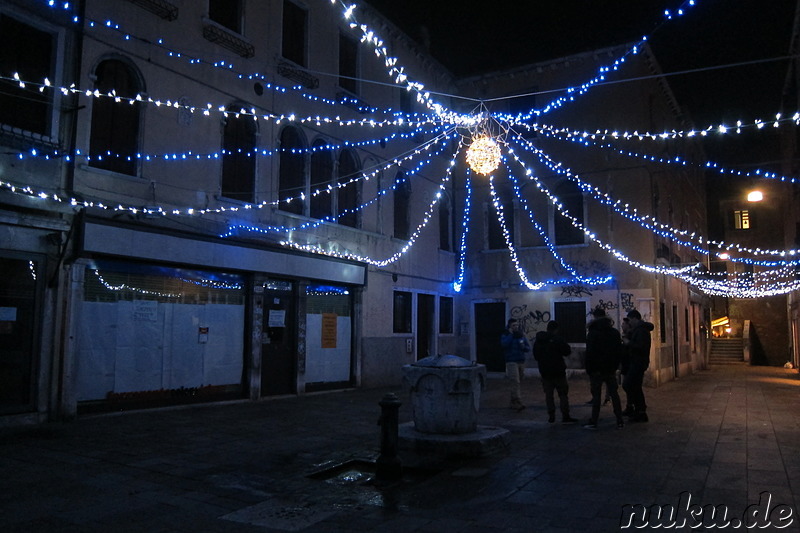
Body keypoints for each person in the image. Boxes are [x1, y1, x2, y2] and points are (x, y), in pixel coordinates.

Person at [583, 308, 624, 430]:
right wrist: (615, 365)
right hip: (610, 368)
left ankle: (594, 421)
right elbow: (618, 351)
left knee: (596, 396)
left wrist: (589, 369)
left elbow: (589, 353)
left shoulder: (593, 333)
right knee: (614, 394)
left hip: (596, 369)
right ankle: (619, 420)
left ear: (595, 317)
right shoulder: (614, 333)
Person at [533, 321, 578, 423]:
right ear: (556, 329)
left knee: (549, 395)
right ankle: (565, 416)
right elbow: (567, 352)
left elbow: (536, 356)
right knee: (563, 394)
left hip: (545, 372)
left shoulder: (539, 341)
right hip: (558, 371)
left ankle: (551, 416)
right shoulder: (558, 340)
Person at [623, 309, 654, 422]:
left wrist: (628, 343)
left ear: (635, 318)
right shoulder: (639, 330)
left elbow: (641, 347)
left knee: (630, 385)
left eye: (630, 320)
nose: (629, 322)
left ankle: (640, 411)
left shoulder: (641, 331)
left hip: (638, 362)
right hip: (637, 362)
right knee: (634, 386)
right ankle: (639, 410)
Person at [500, 318, 530, 411]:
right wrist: (511, 335)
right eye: (513, 325)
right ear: (509, 327)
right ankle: (517, 402)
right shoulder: (506, 335)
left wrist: (523, 347)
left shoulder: (521, 335)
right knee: (515, 381)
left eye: (517, 325)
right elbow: (504, 344)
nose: (516, 327)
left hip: (520, 360)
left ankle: (513, 402)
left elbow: (528, 347)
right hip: (511, 361)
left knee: (518, 381)